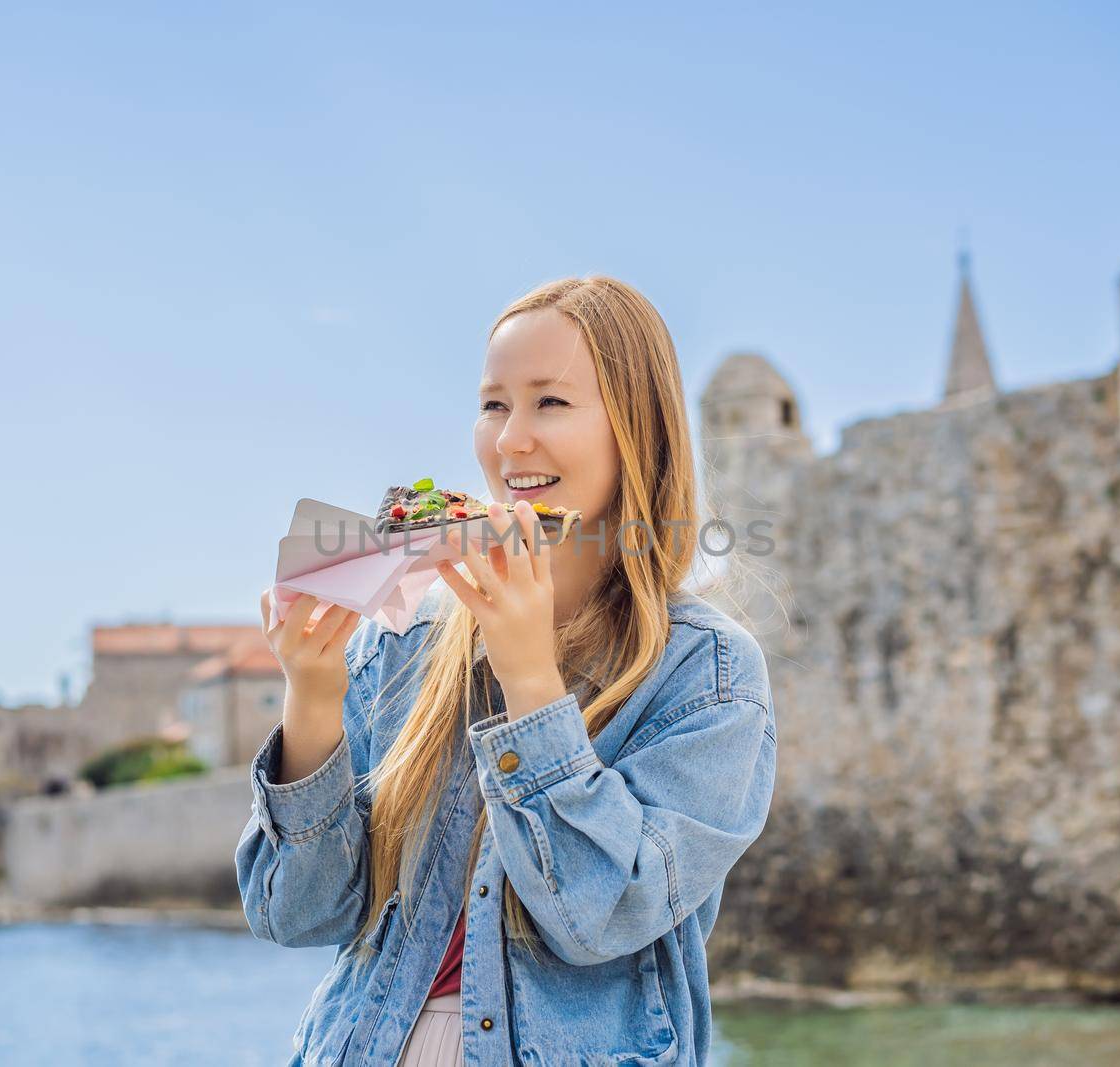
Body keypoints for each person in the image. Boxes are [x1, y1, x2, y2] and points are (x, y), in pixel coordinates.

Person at [236, 276, 777, 1066]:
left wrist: (530, 683)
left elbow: (602, 911)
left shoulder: (710, 674)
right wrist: (313, 702)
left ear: (637, 430)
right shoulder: (403, 639)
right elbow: (292, 913)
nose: (510, 441)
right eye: (493, 404)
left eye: (550, 403)